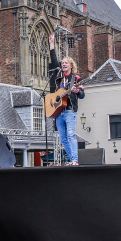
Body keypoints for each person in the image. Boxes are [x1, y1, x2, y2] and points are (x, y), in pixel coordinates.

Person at [48, 33, 85, 166]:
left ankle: (75, 160)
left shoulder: (76, 78)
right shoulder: (59, 76)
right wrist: (52, 44)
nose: (63, 64)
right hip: (59, 111)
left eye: (65, 63)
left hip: (69, 110)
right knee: (63, 138)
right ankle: (72, 159)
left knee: (71, 134)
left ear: (70, 66)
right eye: (62, 63)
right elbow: (53, 60)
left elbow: (82, 94)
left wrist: (76, 91)